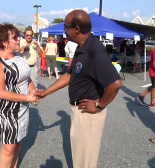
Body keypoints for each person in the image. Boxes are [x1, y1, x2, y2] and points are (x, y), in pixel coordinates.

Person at [35, 10, 122, 168]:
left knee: (85, 162)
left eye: (66, 27)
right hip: (79, 111)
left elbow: (115, 83)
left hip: (88, 114)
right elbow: (69, 75)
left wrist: (98, 105)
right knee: (80, 158)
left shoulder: (95, 50)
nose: (64, 31)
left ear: (76, 29)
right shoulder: (82, 48)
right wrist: (45, 93)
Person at [0, 24, 38, 168]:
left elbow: (26, 77)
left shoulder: (17, 55)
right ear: (4, 42)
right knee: (9, 148)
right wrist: (27, 97)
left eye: (19, 36)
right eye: (15, 37)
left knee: (18, 142)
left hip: (22, 107)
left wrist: (34, 91)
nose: (19, 39)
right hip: (6, 109)